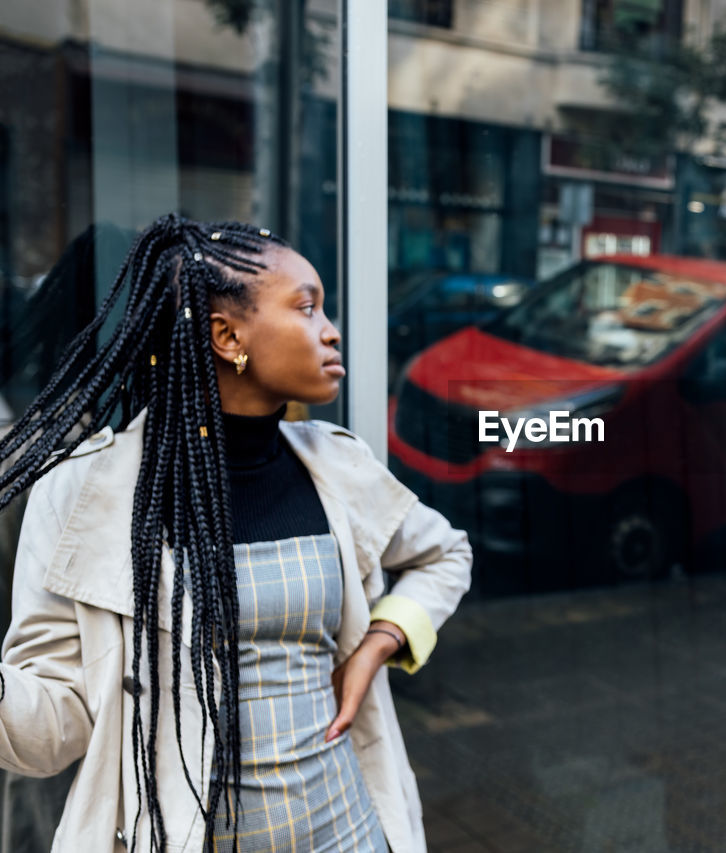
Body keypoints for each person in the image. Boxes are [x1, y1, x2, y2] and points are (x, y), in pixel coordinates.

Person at [0, 214, 472, 852]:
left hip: (351, 830)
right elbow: (51, 729)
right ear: (227, 336)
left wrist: (379, 643)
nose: (331, 333)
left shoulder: (335, 462)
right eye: (307, 308)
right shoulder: (87, 493)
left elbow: (445, 554)